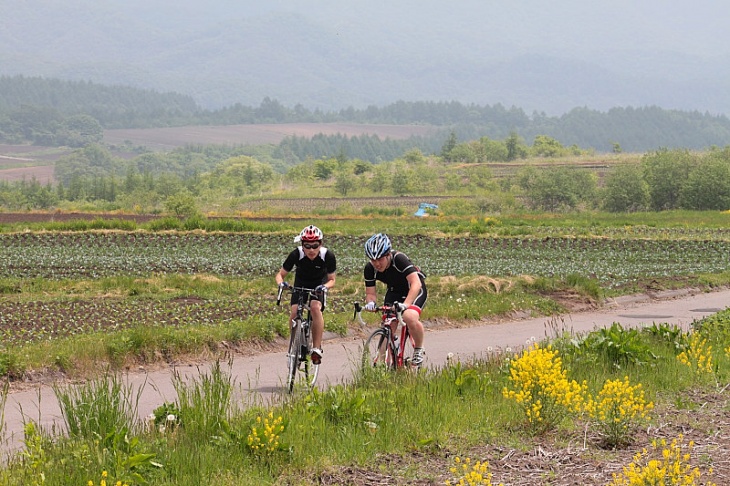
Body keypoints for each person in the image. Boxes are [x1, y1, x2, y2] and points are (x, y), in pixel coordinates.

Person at [363, 233, 427, 366]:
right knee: (388, 322)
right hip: (394, 291)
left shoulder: (399, 259)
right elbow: (370, 293)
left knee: (409, 316)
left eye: (380, 259)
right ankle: (381, 361)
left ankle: (418, 349)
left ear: (388, 255)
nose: (376, 264)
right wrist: (370, 303)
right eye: (373, 260)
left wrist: (406, 305)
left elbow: (416, 283)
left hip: (414, 289)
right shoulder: (370, 268)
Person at [275, 225, 336, 365]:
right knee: (295, 311)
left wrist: (324, 287)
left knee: (315, 308)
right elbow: (280, 275)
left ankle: (316, 348)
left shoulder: (328, 255)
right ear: (302, 245)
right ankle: (294, 346)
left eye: (315, 245)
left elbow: (332, 280)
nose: (311, 250)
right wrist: (281, 284)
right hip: (301, 282)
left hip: (319, 283)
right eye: (307, 246)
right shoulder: (296, 254)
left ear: (320, 244)